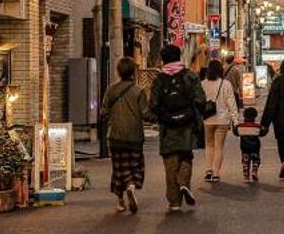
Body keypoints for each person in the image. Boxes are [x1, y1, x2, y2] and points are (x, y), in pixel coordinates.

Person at [150, 43, 205, 210]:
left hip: (167, 126)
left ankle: (174, 202)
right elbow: (200, 100)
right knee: (186, 155)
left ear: (163, 59)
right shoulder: (191, 76)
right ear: (179, 57)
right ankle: (184, 182)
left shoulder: (159, 79)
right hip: (188, 124)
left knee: (170, 160)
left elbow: (153, 104)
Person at [100, 56, 151, 214]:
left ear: (118, 71)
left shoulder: (111, 90)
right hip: (134, 136)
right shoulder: (139, 91)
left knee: (119, 168)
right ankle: (131, 185)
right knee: (136, 165)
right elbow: (146, 114)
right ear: (133, 72)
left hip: (115, 136)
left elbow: (103, 112)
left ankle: (121, 202)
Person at [200, 59, 237, 184]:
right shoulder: (226, 84)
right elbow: (231, 103)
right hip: (222, 119)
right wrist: (235, 120)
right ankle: (216, 173)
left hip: (208, 119)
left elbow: (199, 102)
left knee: (209, 145)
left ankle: (208, 170)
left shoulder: (203, 84)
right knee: (219, 147)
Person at [235, 106, 263, 182]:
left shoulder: (240, 126)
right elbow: (262, 133)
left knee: (245, 163)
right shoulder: (257, 126)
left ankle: (246, 177)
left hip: (244, 148)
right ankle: (254, 171)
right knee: (256, 161)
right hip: (255, 148)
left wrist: (234, 124)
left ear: (244, 116)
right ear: (255, 116)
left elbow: (236, 133)